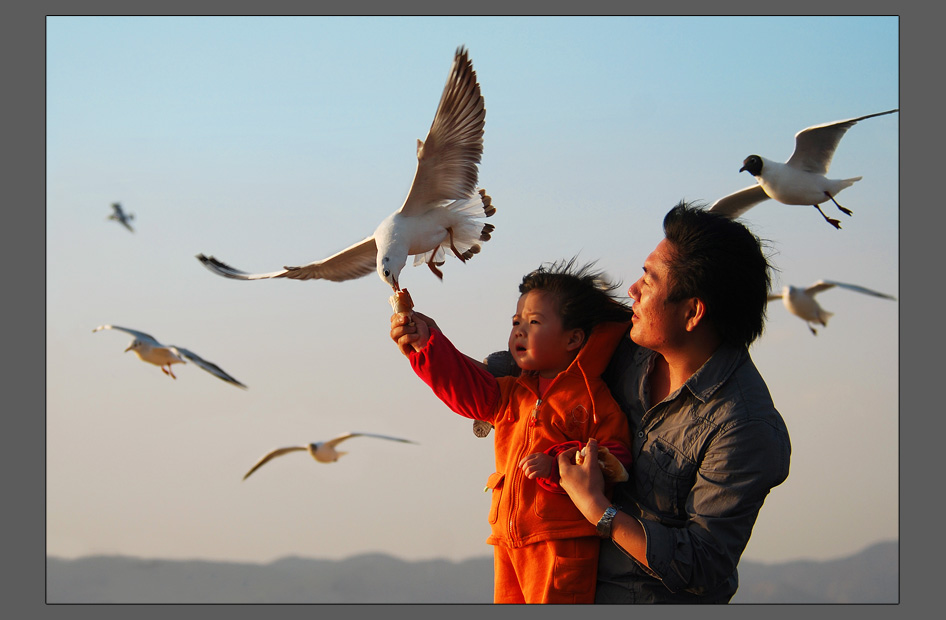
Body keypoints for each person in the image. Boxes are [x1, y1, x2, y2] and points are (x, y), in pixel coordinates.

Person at [552, 201, 792, 603]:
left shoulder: (744, 426)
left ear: (692, 312)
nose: (633, 289)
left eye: (649, 279)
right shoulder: (624, 350)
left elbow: (704, 564)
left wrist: (598, 510)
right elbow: (541, 366)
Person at [390, 259, 635, 604]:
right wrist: (427, 343)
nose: (519, 331)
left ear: (573, 338)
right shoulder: (511, 393)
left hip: (560, 546)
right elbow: (466, 388)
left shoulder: (593, 400)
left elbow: (615, 459)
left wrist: (557, 467)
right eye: (516, 322)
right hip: (508, 543)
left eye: (534, 322)